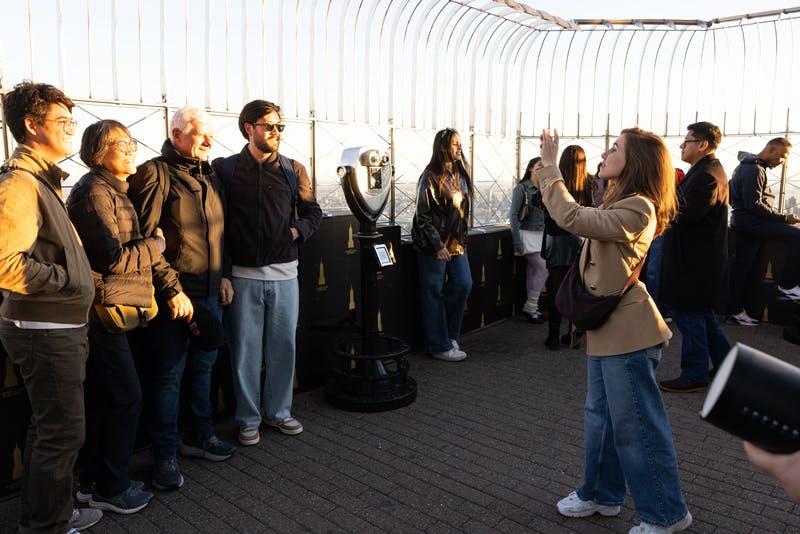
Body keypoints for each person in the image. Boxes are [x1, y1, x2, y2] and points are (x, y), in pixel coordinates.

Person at [535, 128, 692, 533]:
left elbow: (570, 217)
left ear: (635, 162)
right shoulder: (619, 202)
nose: (605, 153)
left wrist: (552, 167)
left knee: (636, 427)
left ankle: (666, 514)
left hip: (629, 336)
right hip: (609, 332)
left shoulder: (638, 207)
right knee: (601, 421)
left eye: (615, 148)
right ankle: (601, 494)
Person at [0, 82, 103, 533]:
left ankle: (53, 514)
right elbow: (5, 264)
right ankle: (46, 526)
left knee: (51, 430)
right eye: (62, 122)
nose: (70, 131)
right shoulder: (20, 183)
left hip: (55, 326)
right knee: (61, 433)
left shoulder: (42, 180)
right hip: (43, 328)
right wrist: (67, 281)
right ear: (31, 125)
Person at [128, 106, 235, 491]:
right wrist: (171, 288)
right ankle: (165, 455)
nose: (209, 140)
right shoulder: (155, 173)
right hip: (173, 298)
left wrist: (223, 275)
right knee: (169, 377)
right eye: (199, 133)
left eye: (210, 133)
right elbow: (145, 240)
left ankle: (198, 437)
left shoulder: (210, 175)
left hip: (209, 293)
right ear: (176, 135)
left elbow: (220, 233)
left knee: (203, 369)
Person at [213, 100, 321, 446]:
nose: (276, 132)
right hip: (243, 277)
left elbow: (312, 213)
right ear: (249, 128)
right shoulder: (225, 170)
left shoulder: (294, 169)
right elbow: (218, 227)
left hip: (286, 275)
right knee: (245, 352)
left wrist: (296, 232)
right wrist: (225, 273)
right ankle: (247, 419)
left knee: (282, 348)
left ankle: (279, 413)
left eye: (280, 127)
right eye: (269, 126)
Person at [66, 120, 161, 513]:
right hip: (103, 314)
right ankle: (111, 486)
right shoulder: (93, 192)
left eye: (132, 142)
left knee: (108, 399)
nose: (131, 149)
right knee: (125, 397)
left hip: (116, 311)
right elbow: (112, 257)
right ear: (98, 151)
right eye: (123, 143)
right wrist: (155, 246)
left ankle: (93, 479)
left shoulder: (114, 191)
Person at [659, 122, 731, 393]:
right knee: (702, 317)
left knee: (689, 317)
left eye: (687, 141)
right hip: (699, 264)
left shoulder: (706, 176)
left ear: (702, 145)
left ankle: (694, 374)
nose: (681, 145)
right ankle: (727, 366)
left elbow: (686, 215)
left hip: (693, 265)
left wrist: (660, 206)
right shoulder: (709, 171)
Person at [411, 128, 474, 362]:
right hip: (433, 246)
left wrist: (456, 199)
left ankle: (448, 337)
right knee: (433, 293)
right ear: (442, 147)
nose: (459, 148)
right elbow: (423, 216)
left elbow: (462, 209)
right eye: (454, 144)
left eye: (460, 143)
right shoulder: (429, 177)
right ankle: (439, 345)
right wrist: (438, 245)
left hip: (457, 244)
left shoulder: (460, 175)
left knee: (464, 284)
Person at [727, 137, 800, 325]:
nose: (782, 162)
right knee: (797, 235)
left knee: (743, 269)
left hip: (743, 223)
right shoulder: (754, 169)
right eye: (782, 156)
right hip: (752, 223)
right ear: (771, 149)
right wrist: (784, 218)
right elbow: (754, 204)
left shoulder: (747, 166)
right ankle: (787, 285)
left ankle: (735, 311)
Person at [542, 145, 593, 350]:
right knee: (575, 290)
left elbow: (544, 206)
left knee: (555, 290)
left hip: (555, 240)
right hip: (578, 241)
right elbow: (590, 211)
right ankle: (572, 336)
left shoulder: (555, 181)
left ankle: (553, 337)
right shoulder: (587, 182)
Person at [509, 157, 547, 324]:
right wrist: (517, 241)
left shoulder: (546, 188)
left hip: (541, 234)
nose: (542, 169)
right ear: (531, 168)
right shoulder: (522, 188)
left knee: (533, 271)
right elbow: (513, 215)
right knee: (543, 269)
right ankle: (531, 307)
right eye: (539, 166)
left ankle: (532, 309)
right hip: (527, 234)